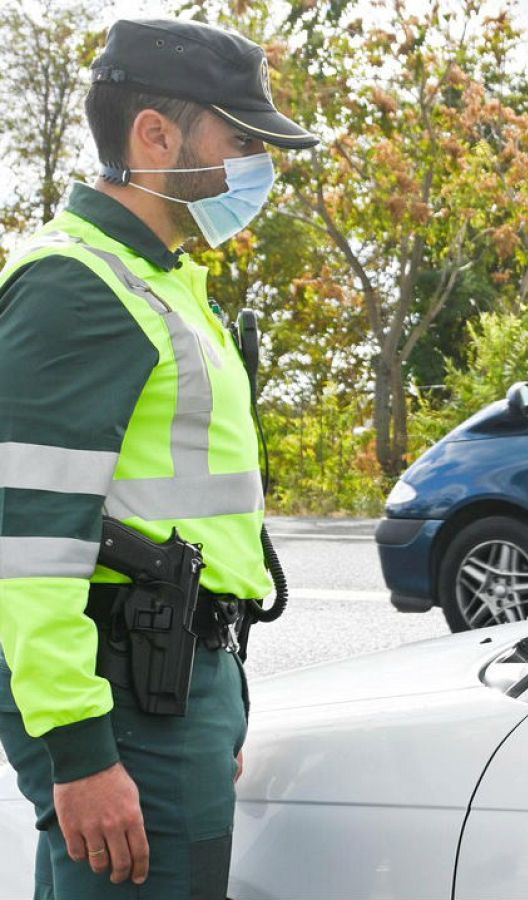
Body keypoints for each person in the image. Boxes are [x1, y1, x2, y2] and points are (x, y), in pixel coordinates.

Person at [0, 19, 316, 898]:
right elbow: (27, 541)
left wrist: (219, 695)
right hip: (127, 697)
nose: (259, 165)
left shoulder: (159, 279)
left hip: (168, 685)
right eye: (242, 139)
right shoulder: (78, 284)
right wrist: (80, 752)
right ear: (155, 135)